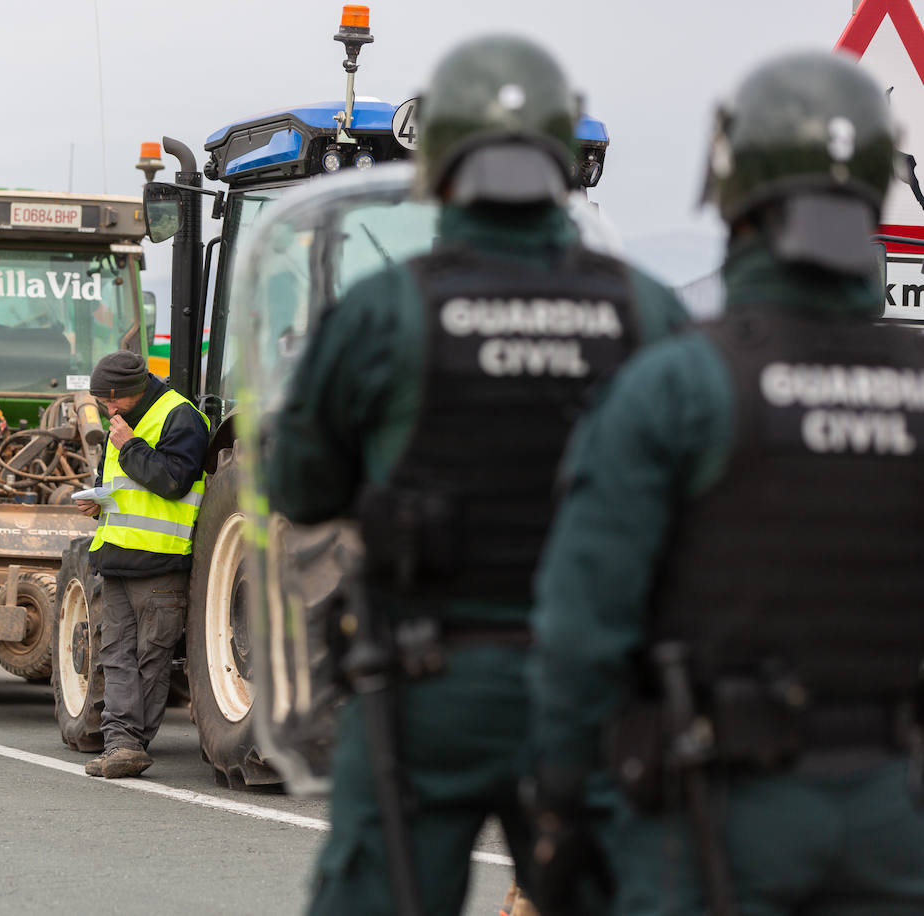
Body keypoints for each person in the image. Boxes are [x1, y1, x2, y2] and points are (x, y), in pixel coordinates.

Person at [265, 35, 688, 915]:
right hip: (596, 692)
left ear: (438, 160)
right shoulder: (647, 310)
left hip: (425, 688)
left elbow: (300, 488)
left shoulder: (385, 310)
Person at [527, 51, 924, 913]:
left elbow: (580, 635)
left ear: (732, 183)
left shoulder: (675, 384)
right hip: (899, 816)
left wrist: (563, 813)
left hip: (710, 820)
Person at [75, 350, 208, 779]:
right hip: (116, 558)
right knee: (116, 655)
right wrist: (98, 504)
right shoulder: (120, 424)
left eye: (108, 401)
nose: (104, 409)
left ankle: (131, 743)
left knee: (150, 658)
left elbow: (173, 481)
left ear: (124, 393)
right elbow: (121, 486)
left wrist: (129, 446)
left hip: (160, 562)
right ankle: (120, 744)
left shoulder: (179, 417)